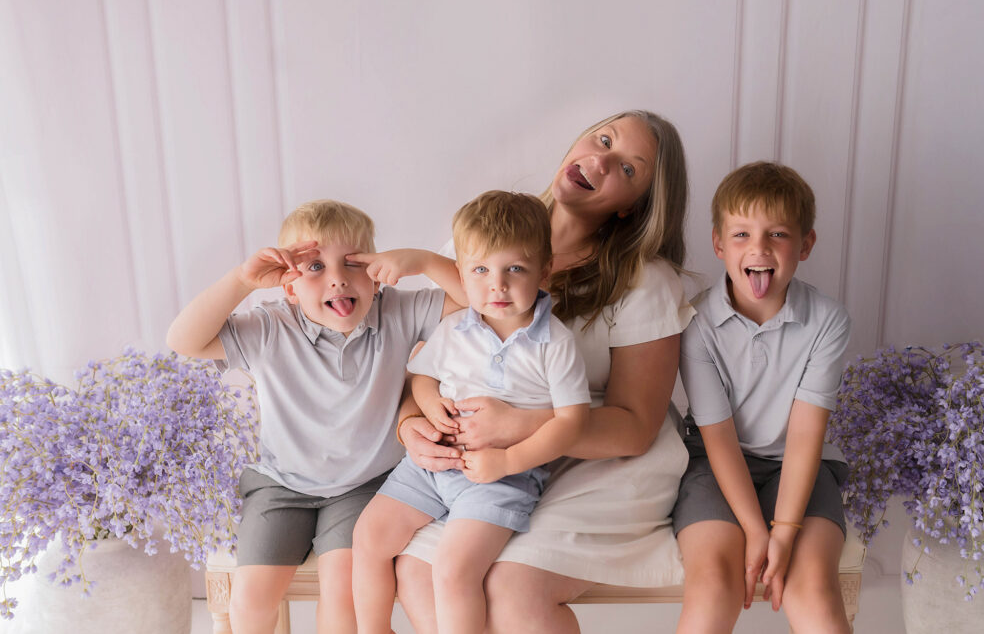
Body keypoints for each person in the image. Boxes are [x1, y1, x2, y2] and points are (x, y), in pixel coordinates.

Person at [356, 110, 694, 634]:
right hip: (479, 453)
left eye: (627, 168)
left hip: (600, 456)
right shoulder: (486, 236)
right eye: (602, 139)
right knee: (419, 574)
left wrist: (516, 427)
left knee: (513, 590)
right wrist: (412, 425)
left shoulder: (643, 281)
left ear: (634, 208)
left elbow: (636, 427)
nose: (600, 160)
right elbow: (439, 363)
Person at [165, 199, 456, 634]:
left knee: (344, 601)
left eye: (354, 263)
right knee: (251, 603)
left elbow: (483, 301)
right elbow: (183, 341)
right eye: (316, 268)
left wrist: (425, 260)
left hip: (362, 486)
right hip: (280, 484)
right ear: (289, 287)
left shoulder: (397, 310)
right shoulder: (270, 327)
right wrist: (242, 281)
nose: (338, 278)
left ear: (376, 275)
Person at [352, 190, 591, 634]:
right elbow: (422, 377)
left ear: (545, 270)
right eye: (480, 270)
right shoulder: (454, 327)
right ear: (461, 272)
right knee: (368, 538)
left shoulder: (555, 344)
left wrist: (507, 460)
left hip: (502, 478)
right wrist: (428, 405)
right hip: (430, 467)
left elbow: (574, 421)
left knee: (452, 570)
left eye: (514, 269)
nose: (496, 285)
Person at [673, 162, 852, 634]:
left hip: (798, 468)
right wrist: (756, 530)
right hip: (714, 464)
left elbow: (806, 432)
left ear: (806, 244)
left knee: (812, 590)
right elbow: (718, 435)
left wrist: (784, 532)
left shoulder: (827, 321)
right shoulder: (695, 324)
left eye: (777, 234)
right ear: (717, 243)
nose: (758, 249)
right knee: (714, 587)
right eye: (741, 235)